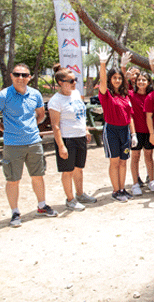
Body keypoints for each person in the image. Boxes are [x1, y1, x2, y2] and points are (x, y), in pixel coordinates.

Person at [0, 63, 57, 227]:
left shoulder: (35, 94)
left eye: (24, 75)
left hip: (34, 143)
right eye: (17, 74)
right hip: (13, 145)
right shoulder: (3, 96)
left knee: (38, 176)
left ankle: (42, 206)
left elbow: (40, 115)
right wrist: (5, 130)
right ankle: (15, 213)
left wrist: (30, 128)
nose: (20, 78)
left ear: (29, 77)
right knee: (13, 180)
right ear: (11, 76)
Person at [48, 64, 96, 211]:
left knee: (79, 168)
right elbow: (55, 126)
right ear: (61, 83)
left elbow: (81, 115)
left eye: (75, 79)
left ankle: (80, 194)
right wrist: (61, 145)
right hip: (67, 139)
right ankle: (70, 200)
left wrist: (86, 129)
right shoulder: (55, 101)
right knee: (67, 170)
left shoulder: (76, 94)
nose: (75, 82)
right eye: (71, 81)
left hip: (80, 136)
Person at [96, 48, 137, 202]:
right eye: (114, 78)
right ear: (110, 79)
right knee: (114, 161)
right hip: (111, 130)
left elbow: (130, 116)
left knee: (123, 161)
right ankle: (115, 191)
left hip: (124, 131)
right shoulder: (106, 94)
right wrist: (102, 63)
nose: (117, 80)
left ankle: (122, 188)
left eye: (119, 78)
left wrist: (133, 134)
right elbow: (102, 81)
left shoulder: (125, 95)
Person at [129, 72, 154, 195]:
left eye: (144, 80)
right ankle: (135, 184)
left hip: (149, 132)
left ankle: (151, 180)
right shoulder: (131, 95)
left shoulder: (151, 95)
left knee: (149, 156)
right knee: (135, 157)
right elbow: (130, 115)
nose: (141, 82)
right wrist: (133, 134)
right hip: (136, 131)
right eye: (139, 80)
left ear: (149, 82)